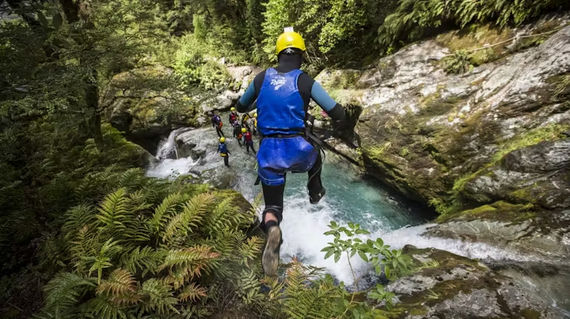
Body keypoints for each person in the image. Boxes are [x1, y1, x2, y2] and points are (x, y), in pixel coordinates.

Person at [235, 27, 348, 277]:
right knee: (317, 153)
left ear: (278, 55)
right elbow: (336, 111)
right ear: (301, 55)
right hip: (299, 151)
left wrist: (256, 102)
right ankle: (314, 188)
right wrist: (347, 115)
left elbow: (240, 106)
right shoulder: (305, 80)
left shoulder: (261, 78)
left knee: (273, 205)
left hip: (269, 153)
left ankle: (273, 227)